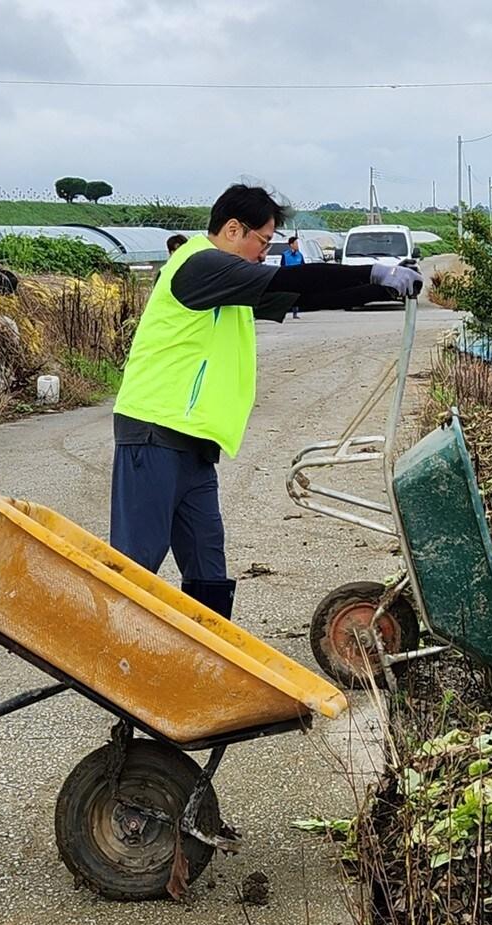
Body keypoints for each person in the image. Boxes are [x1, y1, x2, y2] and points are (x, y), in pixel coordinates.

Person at [110, 183, 423, 619]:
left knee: (207, 566)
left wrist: (379, 288)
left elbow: (305, 296)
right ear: (234, 229)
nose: (265, 252)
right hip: (154, 432)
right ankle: (113, 660)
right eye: (264, 241)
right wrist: (372, 270)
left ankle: (209, 659)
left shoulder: (226, 285)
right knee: (135, 563)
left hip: (195, 441)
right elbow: (293, 278)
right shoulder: (200, 266)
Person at [279, 235, 304, 318]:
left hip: (297, 278)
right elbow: (282, 266)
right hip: (288, 278)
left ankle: (295, 313)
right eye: (296, 243)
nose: (297, 245)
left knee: (296, 295)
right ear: (291, 245)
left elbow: (303, 266)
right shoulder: (285, 255)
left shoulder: (300, 255)